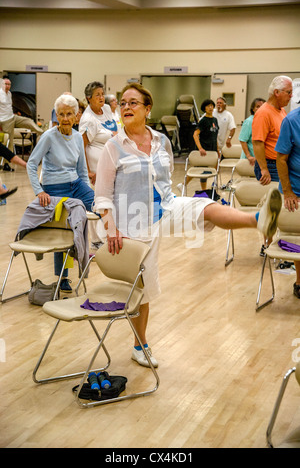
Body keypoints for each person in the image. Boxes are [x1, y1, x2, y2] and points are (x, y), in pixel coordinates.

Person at [93, 82, 282, 369]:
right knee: (143, 287)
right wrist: (111, 228)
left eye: (133, 103)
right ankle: (139, 345)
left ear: (147, 109)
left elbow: (166, 174)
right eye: (123, 103)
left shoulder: (161, 141)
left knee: (204, 206)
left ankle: (257, 220)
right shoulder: (113, 146)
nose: (126, 107)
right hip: (133, 224)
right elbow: (103, 195)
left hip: (165, 206)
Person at [27, 93, 96, 293]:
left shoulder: (76, 137)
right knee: (67, 228)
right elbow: (32, 164)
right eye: (61, 114)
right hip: (55, 187)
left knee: (102, 206)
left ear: (76, 116)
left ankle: (109, 250)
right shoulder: (49, 136)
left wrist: (87, 195)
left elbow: (82, 171)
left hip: (76, 184)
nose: (65, 118)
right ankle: (63, 277)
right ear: (56, 116)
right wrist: (39, 191)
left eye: (69, 114)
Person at [79, 81, 118, 250]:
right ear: (89, 98)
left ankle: (110, 234)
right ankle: (95, 240)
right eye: (97, 95)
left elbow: (114, 129)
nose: (101, 97)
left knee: (111, 199)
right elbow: (81, 146)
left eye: (102, 94)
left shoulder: (107, 110)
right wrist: (87, 171)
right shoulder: (88, 119)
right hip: (95, 166)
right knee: (98, 202)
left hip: (112, 163)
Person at [275, 105, 300, 299]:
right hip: (296, 190)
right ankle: (299, 282)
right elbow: (281, 159)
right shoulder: (291, 120)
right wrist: (288, 192)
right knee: (297, 235)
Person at [252, 75, 293, 185]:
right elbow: (257, 143)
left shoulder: (281, 110)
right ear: (277, 92)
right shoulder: (263, 113)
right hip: (270, 166)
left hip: (281, 162)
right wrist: (264, 169)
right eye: (288, 92)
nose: (291, 96)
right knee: (275, 199)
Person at [0, 77, 43, 152]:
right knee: (9, 141)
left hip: (12, 117)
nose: (7, 86)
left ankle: (43, 133)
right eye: (5, 84)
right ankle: (7, 162)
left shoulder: (9, 94)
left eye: (9, 84)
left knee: (28, 121)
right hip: (5, 120)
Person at [239, 98, 265, 166]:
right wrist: (249, 156)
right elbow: (242, 140)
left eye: (262, 107)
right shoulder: (249, 121)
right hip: (251, 159)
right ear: (253, 109)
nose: (260, 109)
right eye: (257, 107)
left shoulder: (264, 120)